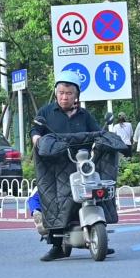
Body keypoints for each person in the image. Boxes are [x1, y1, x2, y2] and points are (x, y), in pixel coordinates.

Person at [30, 70, 107, 261]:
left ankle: (99, 236)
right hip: (55, 168)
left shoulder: (84, 115)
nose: (64, 97)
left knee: (100, 193)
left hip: (81, 166)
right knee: (50, 200)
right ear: (56, 93)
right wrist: (37, 139)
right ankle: (56, 246)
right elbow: (35, 130)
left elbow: (98, 133)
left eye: (69, 93)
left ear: (76, 95)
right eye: (61, 93)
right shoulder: (46, 112)